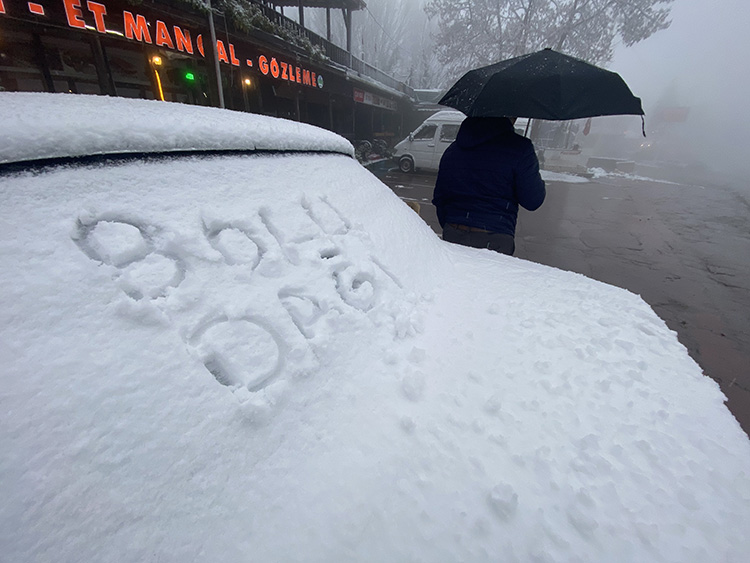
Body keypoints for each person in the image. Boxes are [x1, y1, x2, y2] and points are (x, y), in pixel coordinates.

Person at [432, 116, 546, 256]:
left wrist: (454, 224)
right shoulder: (520, 148)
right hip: (495, 238)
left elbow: (440, 198)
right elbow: (533, 200)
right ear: (510, 116)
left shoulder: (453, 150)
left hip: (454, 233)